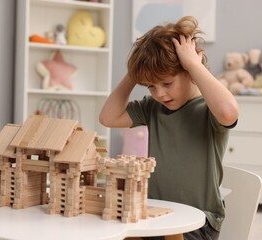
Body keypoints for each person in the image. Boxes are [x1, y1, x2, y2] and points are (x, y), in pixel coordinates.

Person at [99, 16, 238, 240]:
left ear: (190, 72)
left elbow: (228, 112)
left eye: (167, 83)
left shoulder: (208, 110)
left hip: (198, 222)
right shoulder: (153, 108)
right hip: (156, 215)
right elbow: (108, 117)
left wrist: (193, 63)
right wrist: (134, 74)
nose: (159, 94)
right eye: (151, 87)